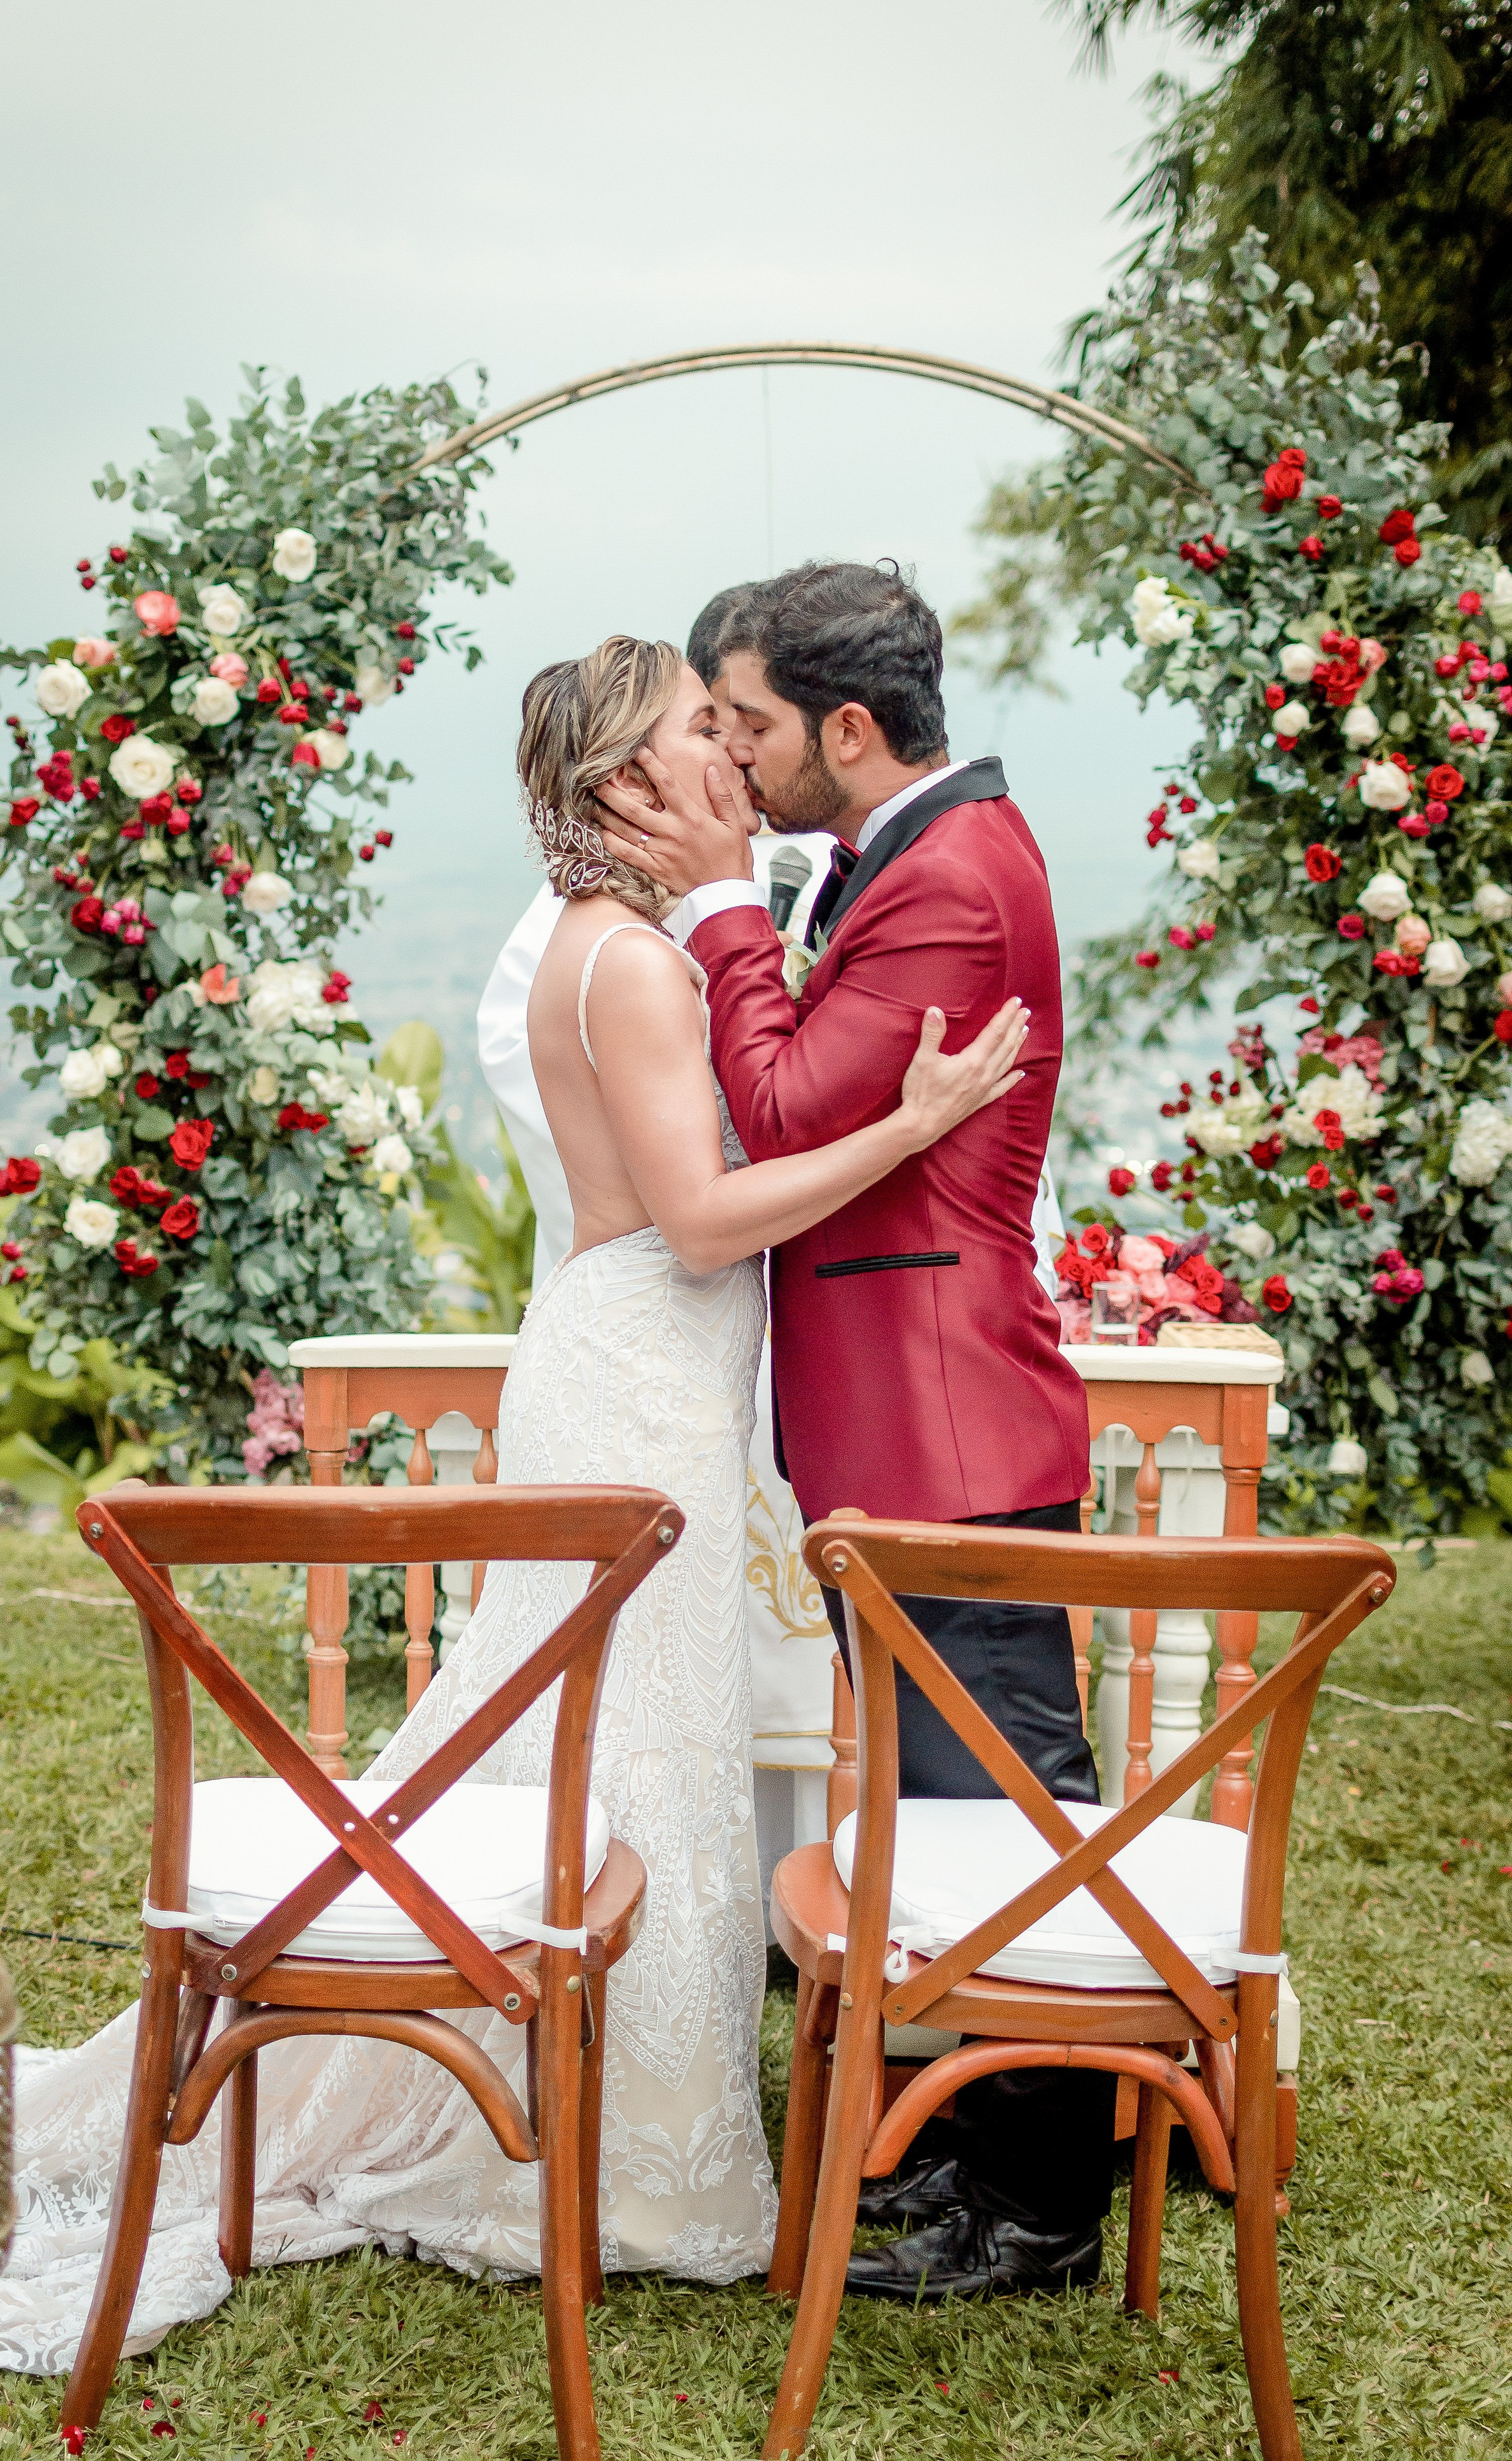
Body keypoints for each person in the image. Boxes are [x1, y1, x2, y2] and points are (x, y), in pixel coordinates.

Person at [0, 634, 1026, 2375]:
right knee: (633, 1752)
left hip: (623, 1370)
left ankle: (608, 2113)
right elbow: (702, 1216)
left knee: (608, 1748)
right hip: (640, 1388)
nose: (728, 754)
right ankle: (633, 2162)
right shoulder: (640, 971)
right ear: (624, 788)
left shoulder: (605, 949)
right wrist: (909, 1126)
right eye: (698, 731)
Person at [595, 561, 1112, 2304]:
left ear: (846, 727)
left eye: (742, 722)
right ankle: (972, 2144)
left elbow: (795, 1100)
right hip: (906, 1421)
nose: (729, 759)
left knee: (1011, 1810)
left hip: (945, 1422)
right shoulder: (916, 852)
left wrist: (732, 905)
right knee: (952, 1806)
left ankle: (1042, 2199)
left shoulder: (953, 878)